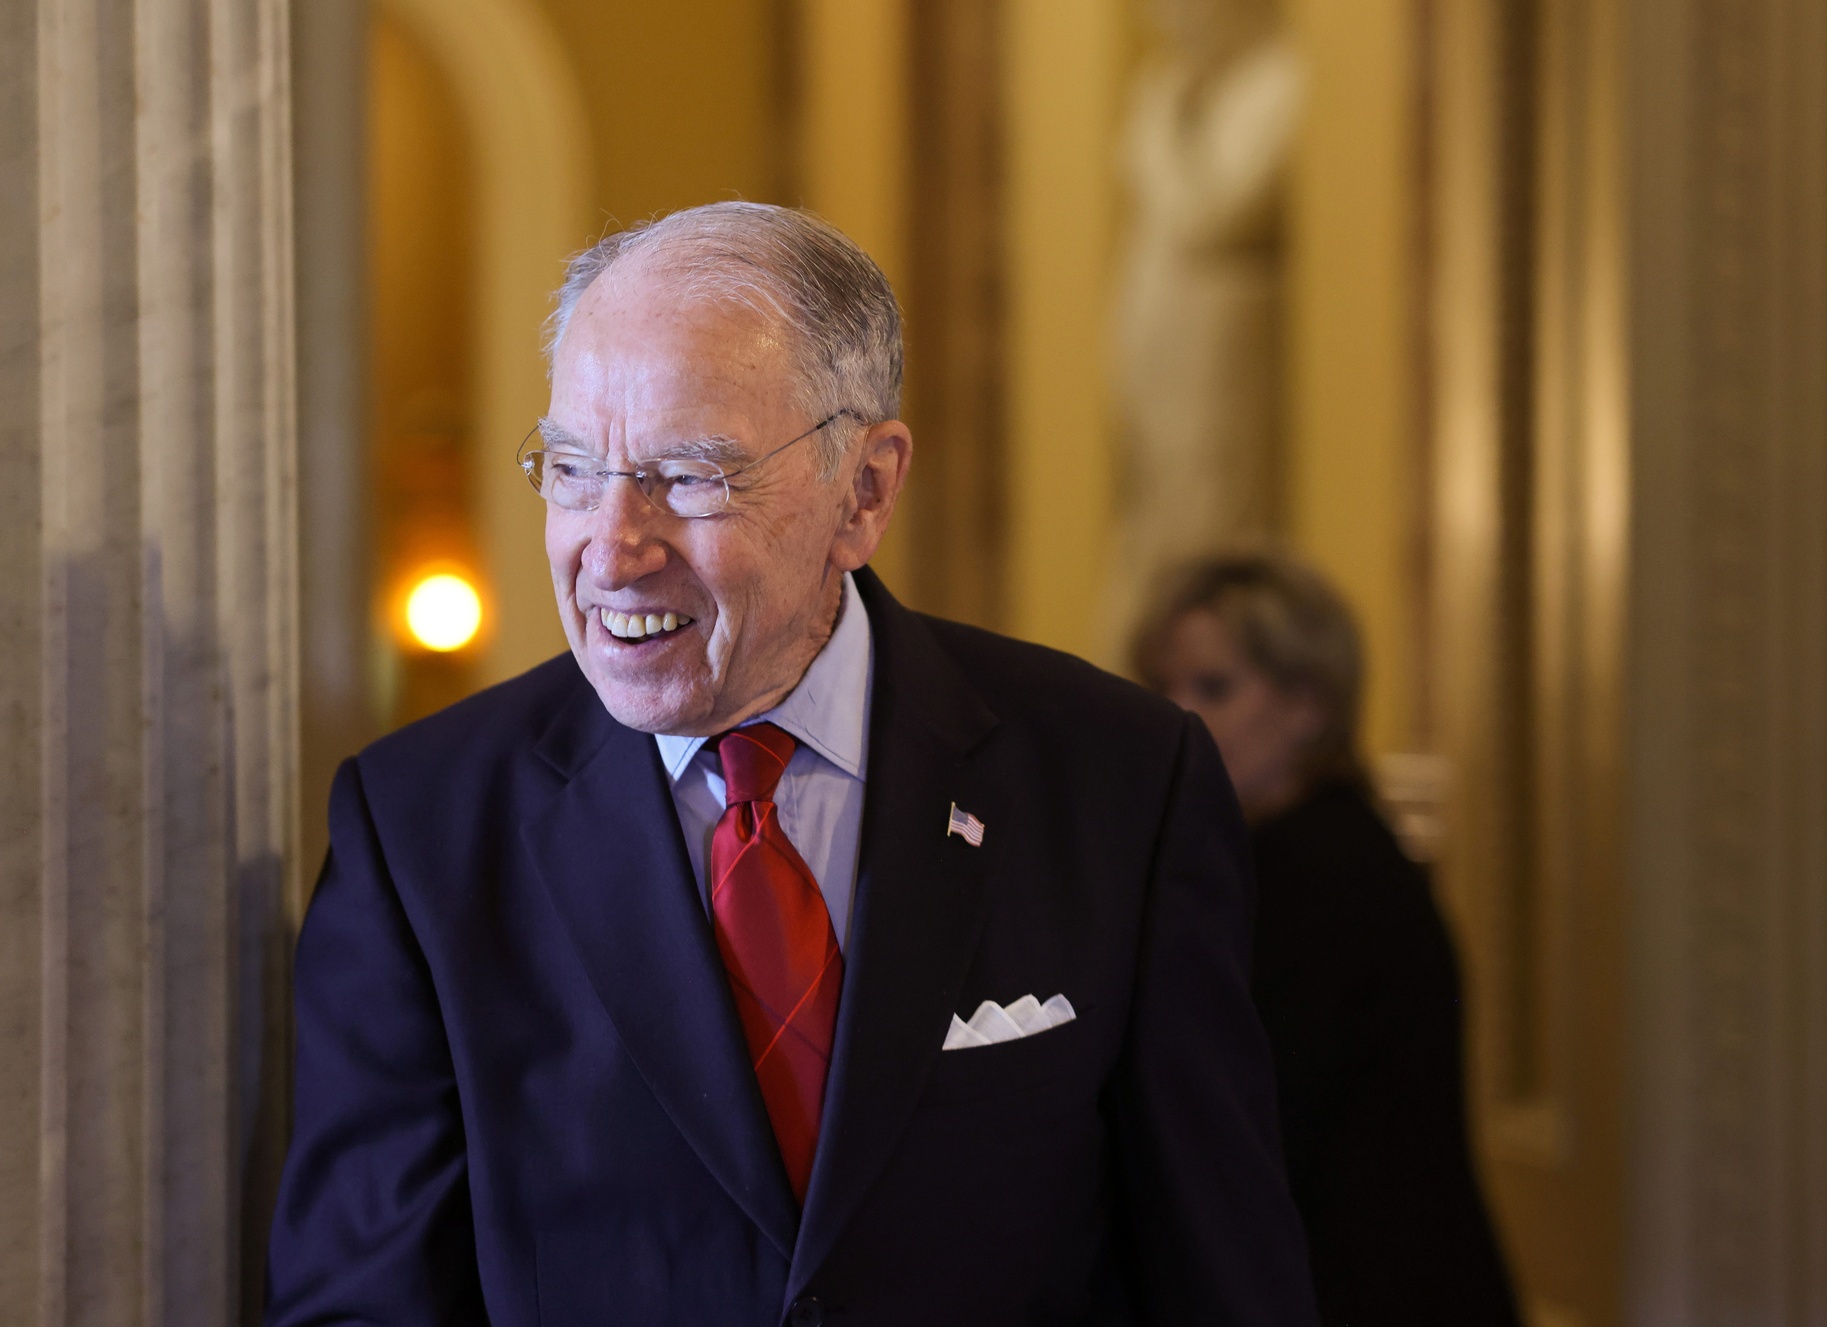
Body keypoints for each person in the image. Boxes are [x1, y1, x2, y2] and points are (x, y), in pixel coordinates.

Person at [266, 203, 1319, 1326]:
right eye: (572, 469)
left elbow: (1225, 1277)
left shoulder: (1121, 781)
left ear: (863, 490)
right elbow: (361, 1303)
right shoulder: (418, 831)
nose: (611, 548)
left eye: (687, 476)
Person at [1135, 552, 1522, 1327]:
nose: (1179, 714)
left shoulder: (1319, 873)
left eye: (1214, 687)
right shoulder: (1302, 849)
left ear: (1307, 704)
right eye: (1163, 686)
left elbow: (1249, 1120)